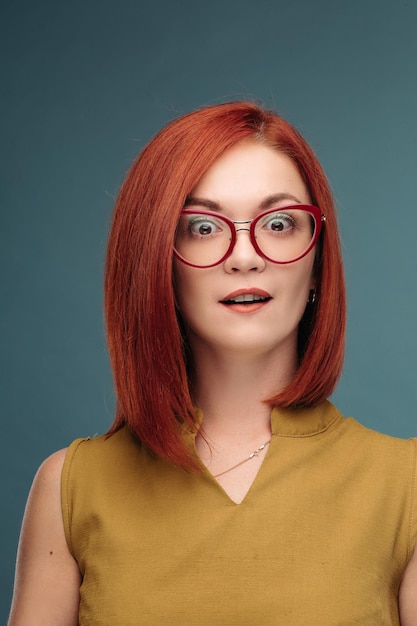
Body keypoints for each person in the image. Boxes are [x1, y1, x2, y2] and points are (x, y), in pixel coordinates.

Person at [8, 101, 417, 625]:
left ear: (318, 264)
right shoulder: (71, 486)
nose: (244, 255)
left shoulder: (403, 485)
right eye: (202, 227)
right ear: (158, 261)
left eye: (279, 223)